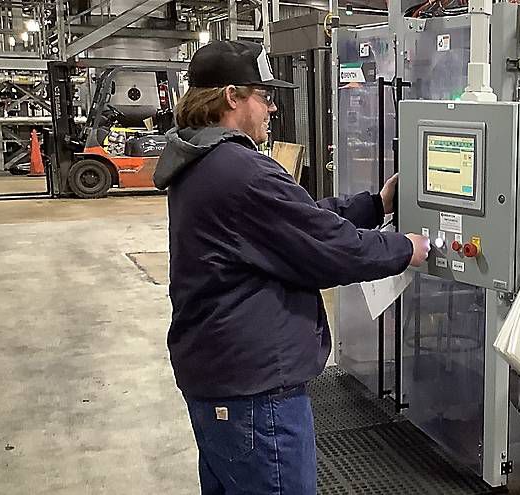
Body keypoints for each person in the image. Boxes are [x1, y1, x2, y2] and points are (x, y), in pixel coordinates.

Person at [153, 40, 430, 494]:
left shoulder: (201, 160)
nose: (272, 107)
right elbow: (326, 248)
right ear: (232, 98)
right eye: (264, 96)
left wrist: (374, 206)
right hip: (255, 390)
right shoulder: (240, 169)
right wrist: (404, 249)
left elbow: (293, 222)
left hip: (218, 374)